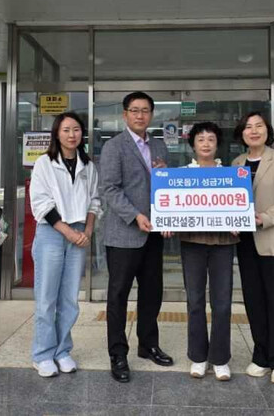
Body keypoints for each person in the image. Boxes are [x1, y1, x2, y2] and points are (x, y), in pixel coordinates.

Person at [99, 91, 173, 383]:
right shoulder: (114, 146)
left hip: (153, 233)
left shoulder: (160, 146)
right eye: (134, 110)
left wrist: (165, 176)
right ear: (125, 114)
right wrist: (135, 215)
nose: (140, 115)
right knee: (118, 295)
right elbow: (109, 188)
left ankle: (148, 344)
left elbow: (166, 187)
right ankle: (118, 353)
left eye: (145, 110)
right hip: (124, 233)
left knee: (152, 291)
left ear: (151, 115)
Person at [232, 111, 274, 386]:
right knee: (254, 301)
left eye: (259, 126)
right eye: (248, 127)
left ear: (267, 131)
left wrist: (264, 218)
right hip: (246, 243)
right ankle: (261, 355)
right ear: (242, 134)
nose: (254, 131)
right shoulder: (237, 163)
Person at [29, 112, 100, 378]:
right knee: (46, 297)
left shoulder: (88, 166)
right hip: (52, 232)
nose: (72, 135)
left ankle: (62, 351)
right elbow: (41, 204)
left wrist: (87, 230)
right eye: (66, 130)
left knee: (69, 298)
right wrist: (68, 232)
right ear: (57, 134)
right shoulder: (44, 164)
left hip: (79, 233)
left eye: (77, 129)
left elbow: (95, 201)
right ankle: (42, 354)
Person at [180, 122, 239, 381]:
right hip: (192, 243)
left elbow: (240, 204)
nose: (206, 144)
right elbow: (170, 206)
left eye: (211, 139)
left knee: (222, 303)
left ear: (217, 144)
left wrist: (239, 220)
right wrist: (166, 221)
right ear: (193, 144)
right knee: (195, 301)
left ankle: (220, 358)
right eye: (201, 139)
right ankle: (198, 356)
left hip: (223, 244)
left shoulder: (231, 175)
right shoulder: (181, 175)